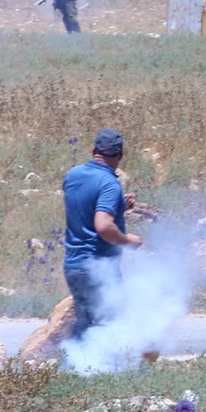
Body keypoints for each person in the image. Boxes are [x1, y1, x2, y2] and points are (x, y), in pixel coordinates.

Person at [62, 129, 142, 340]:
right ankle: (92, 370)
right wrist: (128, 241)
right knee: (111, 324)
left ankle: (72, 370)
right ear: (121, 155)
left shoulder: (73, 175)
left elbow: (84, 209)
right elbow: (104, 227)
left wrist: (118, 207)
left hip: (73, 265)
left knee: (87, 324)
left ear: (93, 150)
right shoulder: (109, 183)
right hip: (97, 267)